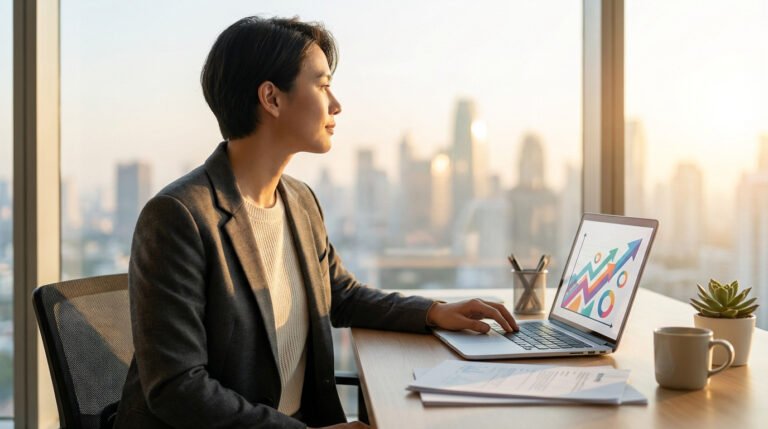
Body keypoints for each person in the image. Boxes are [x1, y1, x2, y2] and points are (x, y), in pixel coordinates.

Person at [113, 16, 518, 429]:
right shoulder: (178, 216)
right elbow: (177, 388)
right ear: (271, 98)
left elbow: (340, 295)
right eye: (323, 86)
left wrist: (433, 312)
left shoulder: (300, 200)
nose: (336, 104)